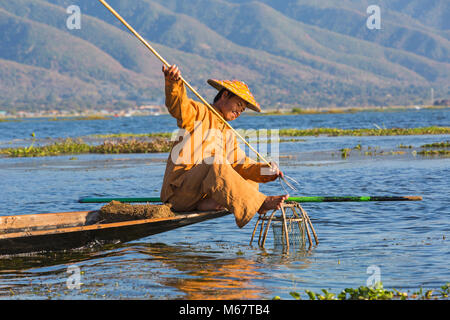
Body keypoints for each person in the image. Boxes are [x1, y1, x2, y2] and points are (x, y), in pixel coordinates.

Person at [160, 64, 288, 228]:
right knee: (214, 162)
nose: (239, 112)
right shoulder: (199, 112)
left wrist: (267, 170)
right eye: (239, 105)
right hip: (179, 193)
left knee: (248, 181)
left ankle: (206, 204)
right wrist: (173, 83)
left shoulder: (228, 132)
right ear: (225, 95)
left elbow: (241, 164)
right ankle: (259, 203)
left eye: (243, 110)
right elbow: (178, 107)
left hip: (201, 195)